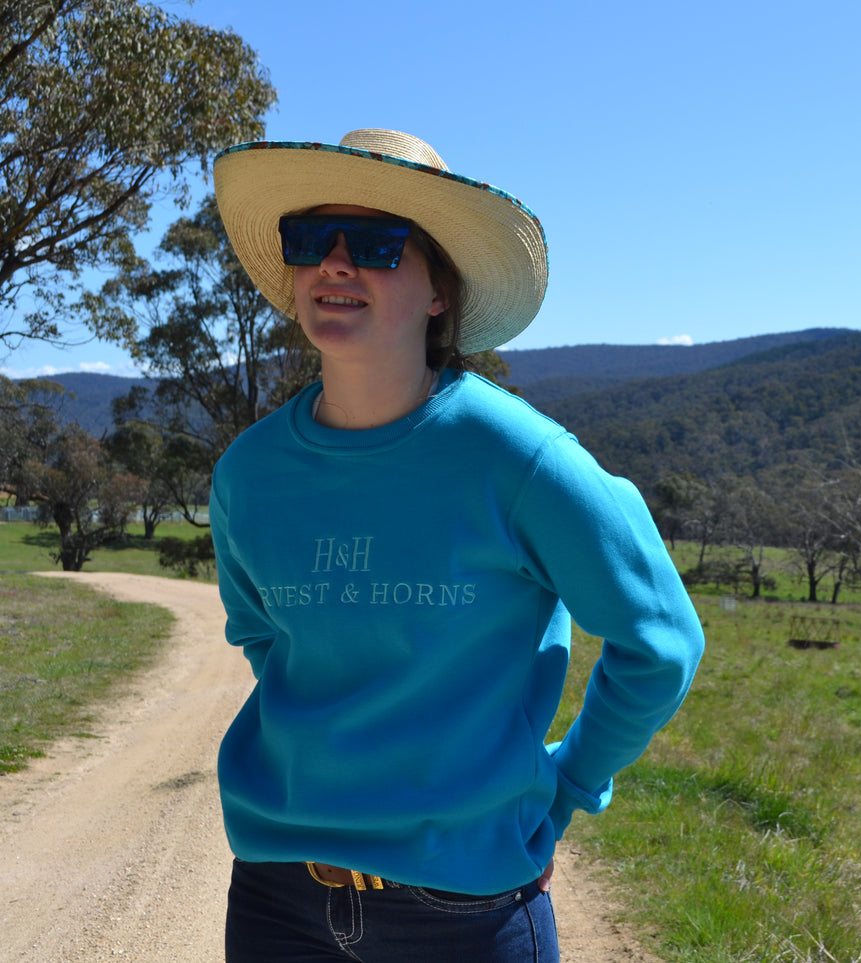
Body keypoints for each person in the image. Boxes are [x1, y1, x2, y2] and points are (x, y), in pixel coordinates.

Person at [209, 129, 705, 961]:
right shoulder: (249, 474)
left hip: (465, 917)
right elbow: (267, 638)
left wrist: (568, 787)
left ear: (440, 290)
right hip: (276, 900)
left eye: (373, 244)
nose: (335, 263)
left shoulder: (520, 459)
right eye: (311, 242)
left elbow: (659, 642)